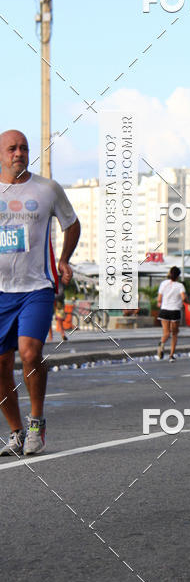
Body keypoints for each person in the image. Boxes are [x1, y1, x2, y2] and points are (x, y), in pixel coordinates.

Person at [0, 130, 80, 457]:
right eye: (12, 148)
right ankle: (16, 432)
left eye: (23, 148)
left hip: (38, 286)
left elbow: (71, 223)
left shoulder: (47, 189)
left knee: (30, 353)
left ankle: (36, 422)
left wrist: (63, 259)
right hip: (1, 291)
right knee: (1, 364)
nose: (19, 153)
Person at [157, 266, 187, 361]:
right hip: (175, 311)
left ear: (170, 273)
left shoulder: (163, 284)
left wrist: (161, 303)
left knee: (166, 333)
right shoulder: (180, 286)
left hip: (164, 311)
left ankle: (161, 343)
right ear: (178, 275)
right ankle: (171, 355)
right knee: (174, 334)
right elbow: (183, 298)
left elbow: (159, 299)